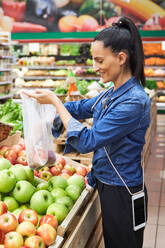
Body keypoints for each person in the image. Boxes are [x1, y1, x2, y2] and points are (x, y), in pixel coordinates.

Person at [24, 16, 150, 248]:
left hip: (123, 192)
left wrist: (55, 101)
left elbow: (87, 140)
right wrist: (48, 107)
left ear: (121, 58)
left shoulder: (134, 101)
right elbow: (78, 107)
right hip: (107, 184)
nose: (95, 67)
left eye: (99, 60)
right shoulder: (110, 93)